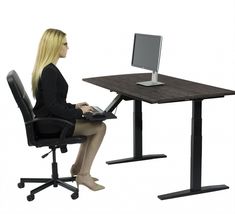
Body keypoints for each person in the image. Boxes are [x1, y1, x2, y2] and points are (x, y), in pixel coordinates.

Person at [32, 28, 106, 191]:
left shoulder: (46, 68)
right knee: (100, 127)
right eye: (65, 44)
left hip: (48, 120)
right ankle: (84, 175)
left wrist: (75, 106)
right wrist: (79, 113)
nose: (68, 47)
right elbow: (52, 106)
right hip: (52, 124)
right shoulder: (49, 71)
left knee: (91, 126)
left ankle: (77, 169)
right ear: (55, 46)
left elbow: (52, 102)